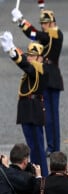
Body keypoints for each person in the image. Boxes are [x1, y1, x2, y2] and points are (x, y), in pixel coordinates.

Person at [12, 6, 64, 155]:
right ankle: (51, 146)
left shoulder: (55, 34)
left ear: (50, 23)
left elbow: (34, 34)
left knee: (52, 116)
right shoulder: (47, 34)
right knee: (46, 114)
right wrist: (21, 22)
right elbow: (36, 35)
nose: (43, 26)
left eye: (44, 23)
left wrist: (21, 21)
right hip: (43, 77)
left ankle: (55, 147)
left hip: (52, 78)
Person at [0, 32, 49, 176]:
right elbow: (25, 61)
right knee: (32, 145)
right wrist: (13, 48)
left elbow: (24, 63)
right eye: (30, 55)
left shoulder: (40, 69)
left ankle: (43, 178)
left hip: (33, 110)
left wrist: (11, 50)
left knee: (37, 148)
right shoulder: (33, 67)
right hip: (27, 109)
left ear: (40, 58)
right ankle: (36, 173)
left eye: (33, 56)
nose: (30, 57)